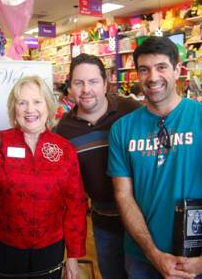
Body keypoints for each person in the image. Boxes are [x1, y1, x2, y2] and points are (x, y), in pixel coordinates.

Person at [107, 36, 202, 279]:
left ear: (178, 70)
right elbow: (123, 194)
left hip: (197, 259)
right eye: (144, 69)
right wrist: (153, 254)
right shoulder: (122, 129)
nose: (153, 77)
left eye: (161, 67)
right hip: (141, 258)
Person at [0, 75, 87, 279]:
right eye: (22, 102)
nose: (30, 109)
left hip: (50, 250)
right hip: (5, 249)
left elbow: (76, 205)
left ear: (48, 106)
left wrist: (73, 255)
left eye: (37, 101)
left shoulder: (64, 149)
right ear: (13, 108)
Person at [55, 53, 141, 279]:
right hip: (105, 224)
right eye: (79, 83)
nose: (86, 90)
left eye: (93, 82)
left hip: (144, 219)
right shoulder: (64, 130)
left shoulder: (131, 111)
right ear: (70, 87)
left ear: (105, 84)